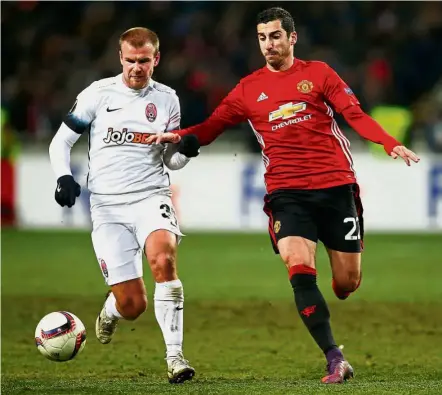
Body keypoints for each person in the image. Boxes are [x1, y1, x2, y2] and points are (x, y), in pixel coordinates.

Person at [148, 7, 420, 384]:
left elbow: (354, 115)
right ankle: (334, 357)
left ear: (292, 38)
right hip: (287, 192)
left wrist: (389, 143)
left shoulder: (319, 74)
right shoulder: (248, 89)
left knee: (346, 284)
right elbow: (212, 126)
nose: (268, 44)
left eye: (275, 36)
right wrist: (180, 138)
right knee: (299, 270)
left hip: (335, 186)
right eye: (262, 38)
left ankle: (339, 288)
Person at [49, 27, 200, 384]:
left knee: (164, 261)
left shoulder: (167, 99)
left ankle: (175, 358)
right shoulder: (97, 94)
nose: (137, 67)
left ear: (156, 59)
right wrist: (63, 177)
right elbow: (61, 142)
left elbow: (170, 160)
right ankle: (112, 309)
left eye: (144, 61)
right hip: (107, 208)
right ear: (120, 58)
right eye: (130, 60)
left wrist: (185, 150)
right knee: (134, 305)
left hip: (151, 196)